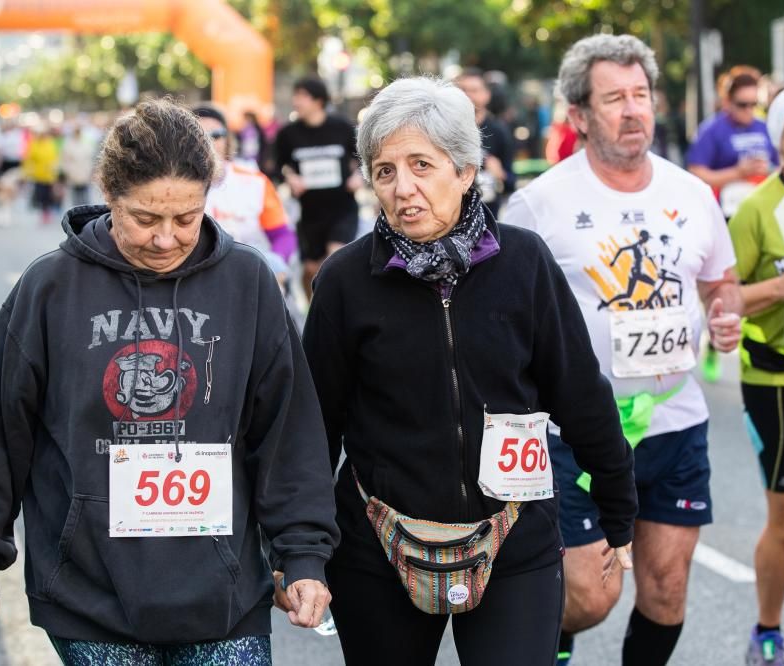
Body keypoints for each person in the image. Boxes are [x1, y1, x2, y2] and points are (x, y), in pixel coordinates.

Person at [0, 99, 338, 666]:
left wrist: (302, 554)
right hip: (90, 593)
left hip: (223, 593)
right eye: (144, 219)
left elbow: (288, 431)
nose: (165, 239)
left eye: (186, 218)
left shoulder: (247, 282)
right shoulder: (50, 288)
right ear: (108, 194)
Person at [301, 75, 637, 666]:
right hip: (379, 541)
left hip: (513, 536)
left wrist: (618, 504)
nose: (404, 188)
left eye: (422, 165)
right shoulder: (344, 282)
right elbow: (313, 429)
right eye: (385, 171)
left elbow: (579, 391)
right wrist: (300, 550)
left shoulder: (524, 262)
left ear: (464, 170)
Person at [502, 35, 743, 666]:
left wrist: (726, 316)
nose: (634, 109)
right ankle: (550, 641)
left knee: (666, 590)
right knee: (589, 595)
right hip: (573, 429)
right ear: (580, 115)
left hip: (674, 422)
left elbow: (722, 281)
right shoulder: (539, 204)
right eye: (615, 98)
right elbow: (499, 307)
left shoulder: (692, 193)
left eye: (641, 95)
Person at [727, 82, 784, 666]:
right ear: (780, 138)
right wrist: (779, 288)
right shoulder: (758, 208)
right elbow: (724, 299)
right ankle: (768, 630)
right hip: (778, 381)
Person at [275, 77, 363, 300]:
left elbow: (365, 157)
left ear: (318, 100)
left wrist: (359, 175)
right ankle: (313, 312)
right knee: (311, 271)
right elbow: (276, 167)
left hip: (342, 209)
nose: (296, 101)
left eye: (301, 96)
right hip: (310, 215)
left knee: (334, 260)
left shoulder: (342, 127)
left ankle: (340, 315)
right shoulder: (288, 134)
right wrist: (290, 177)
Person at [193, 105, 296, 287]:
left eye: (216, 135)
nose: (208, 143)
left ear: (228, 139)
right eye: (199, 135)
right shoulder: (173, 187)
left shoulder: (255, 182)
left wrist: (274, 264)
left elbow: (282, 235)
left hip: (253, 277)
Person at [687, 71, 779, 218]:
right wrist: (737, 172)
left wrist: (768, 169)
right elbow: (695, 172)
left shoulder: (764, 127)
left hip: (764, 207)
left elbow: (782, 168)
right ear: (727, 102)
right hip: (725, 211)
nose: (749, 110)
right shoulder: (712, 130)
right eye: (743, 105)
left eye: (754, 104)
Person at [455, 67, 516, 220]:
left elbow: (511, 182)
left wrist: (500, 174)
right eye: (462, 89)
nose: (467, 95)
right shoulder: (445, 130)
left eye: (474, 90)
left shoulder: (499, 131)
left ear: (486, 95)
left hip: (488, 219)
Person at [22, 126, 61, 225]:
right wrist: (27, 172)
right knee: (41, 195)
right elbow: (29, 158)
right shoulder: (35, 144)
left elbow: (55, 157)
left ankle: (49, 213)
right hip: (38, 174)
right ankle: (43, 213)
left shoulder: (51, 143)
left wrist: (55, 169)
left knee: (49, 195)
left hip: (50, 175)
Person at [60, 124, 97, 208]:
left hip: (84, 174)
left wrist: (90, 172)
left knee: (85, 197)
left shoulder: (86, 145)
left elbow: (90, 160)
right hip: (73, 175)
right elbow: (65, 161)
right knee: (75, 198)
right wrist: (67, 172)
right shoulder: (68, 145)